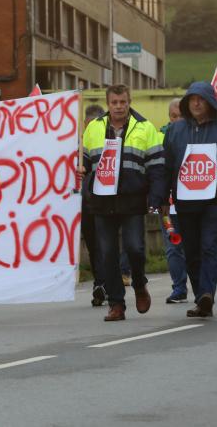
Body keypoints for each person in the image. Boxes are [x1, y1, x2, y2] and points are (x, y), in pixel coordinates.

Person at [159, 82, 217, 318]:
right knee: (191, 251)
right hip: (184, 202)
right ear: (187, 103)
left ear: (210, 102)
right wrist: (162, 199)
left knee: (209, 246)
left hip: (214, 201)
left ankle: (207, 293)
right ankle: (201, 297)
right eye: (192, 99)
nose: (196, 103)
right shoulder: (174, 131)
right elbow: (166, 168)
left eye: (201, 99)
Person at [80, 84, 162, 321]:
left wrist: (155, 198)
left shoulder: (145, 128)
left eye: (122, 102)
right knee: (107, 254)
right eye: (114, 102)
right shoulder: (93, 128)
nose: (118, 106)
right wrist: (81, 167)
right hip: (102, 201)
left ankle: (138, 283)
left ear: (129, 101)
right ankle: (116, 304)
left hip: (132, 199)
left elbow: (156, 166)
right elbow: (84, 159)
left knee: (135, 248)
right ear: (108, 103)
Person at [159, 98, 188, 303]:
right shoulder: (160, 137)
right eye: (174, 116)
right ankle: (179, 288)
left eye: (181, 116)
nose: (177, 120)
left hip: (192, 203)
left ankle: (203, 288)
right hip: (168, 205)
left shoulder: (196, 137)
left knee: (195, 247)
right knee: (172, 247)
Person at [80, 103, 107, 306]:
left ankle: (105, 282)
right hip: (85, 203)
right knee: (93, 246)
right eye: (88, 126)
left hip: (107, 202)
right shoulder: (76, 146)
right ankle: (100, 283)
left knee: (106, 245)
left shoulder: (109, 144)